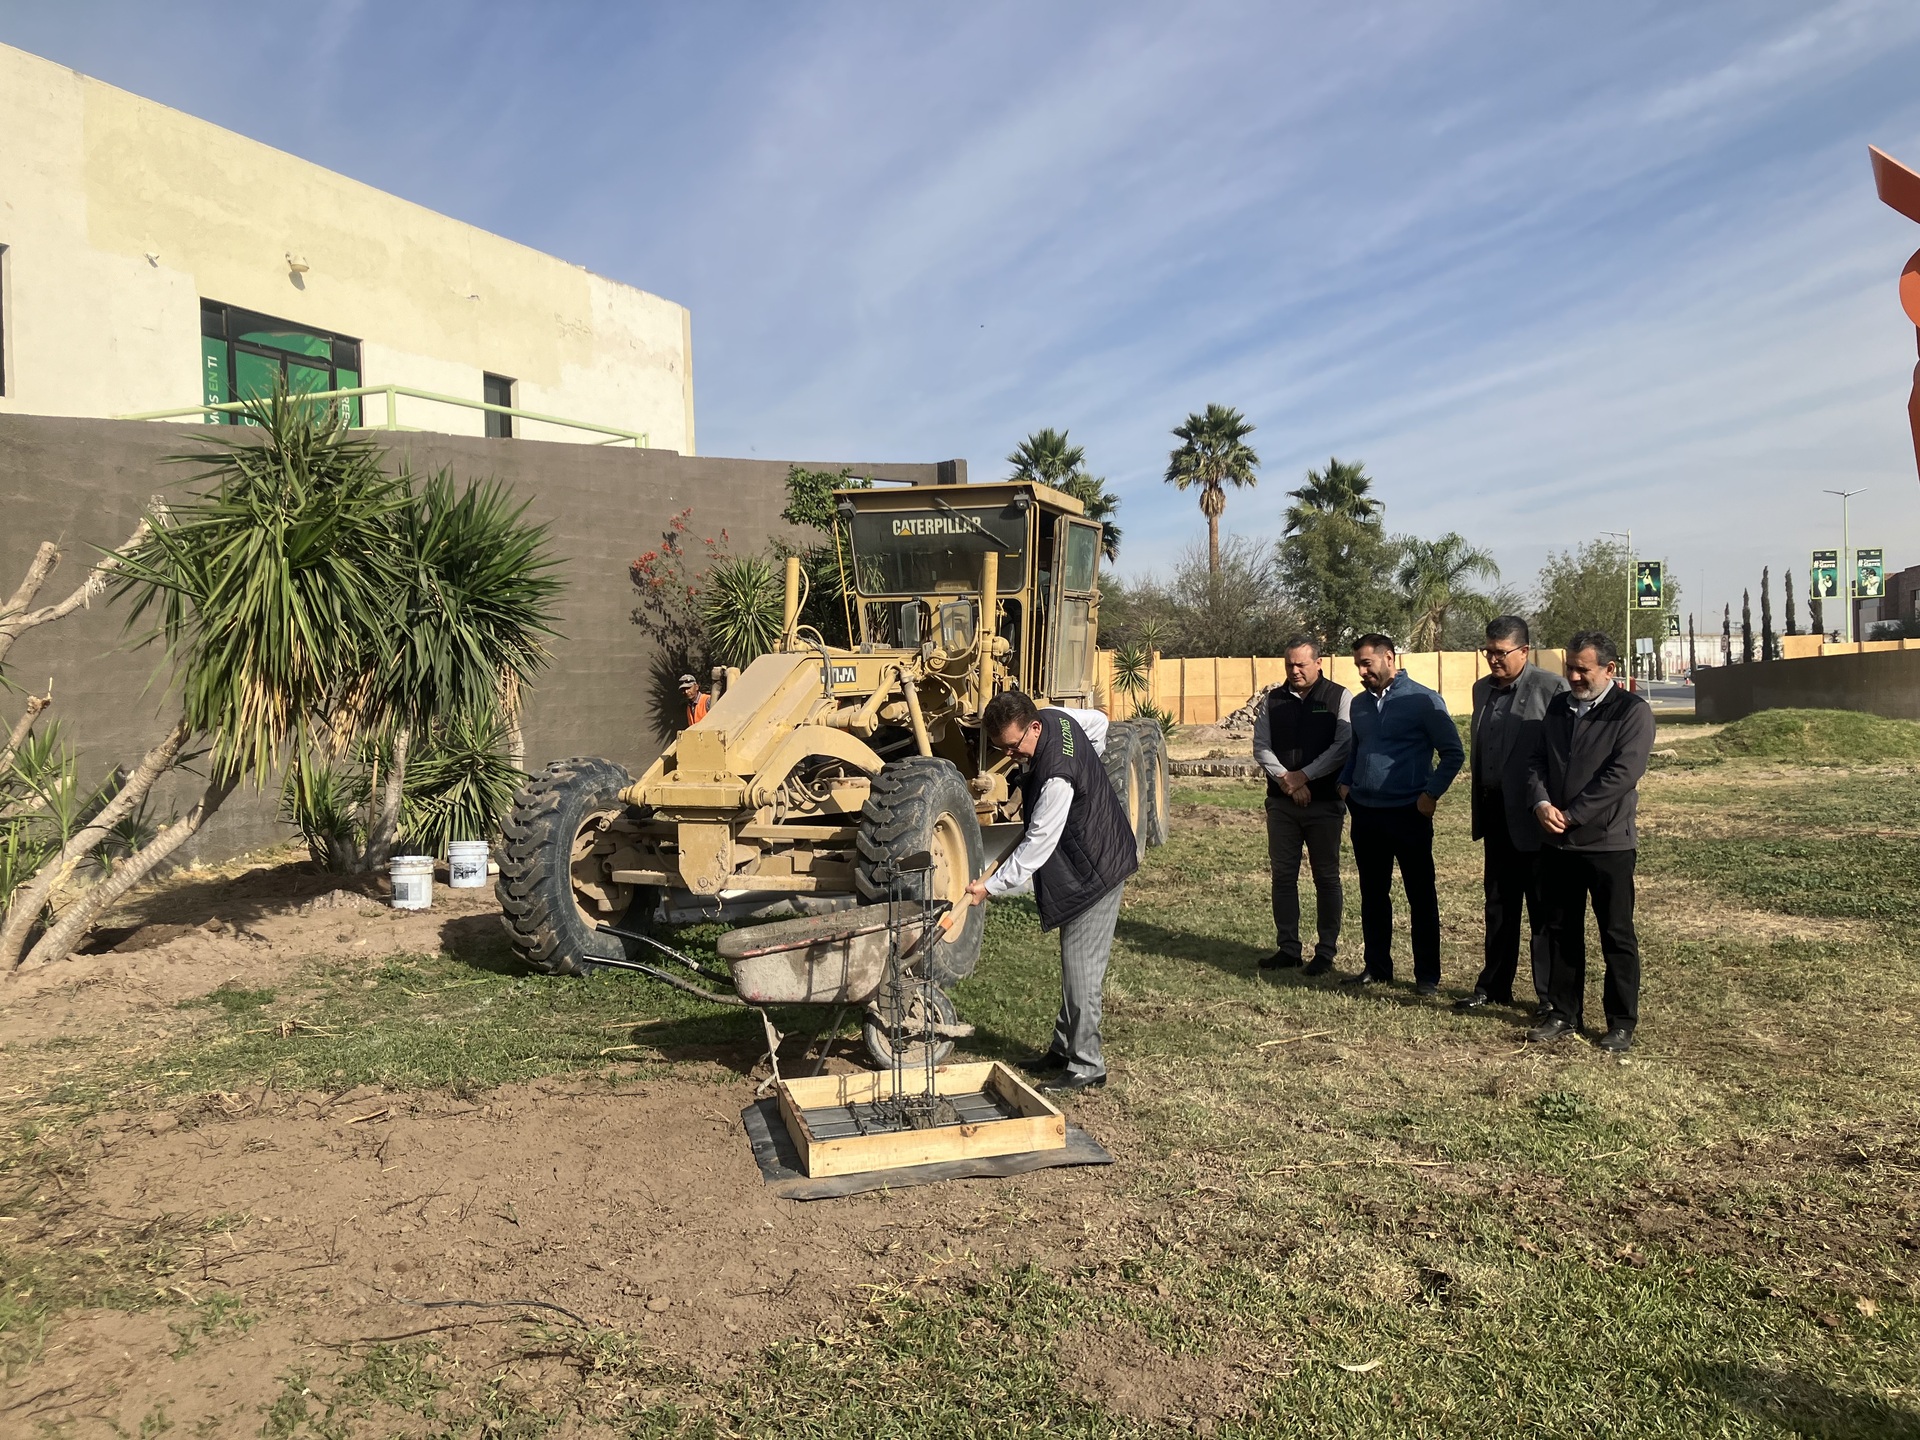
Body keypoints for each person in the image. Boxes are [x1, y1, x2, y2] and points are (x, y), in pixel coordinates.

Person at [964, 690, 1139, 1092]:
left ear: (1034, 726)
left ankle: (1087, 1065)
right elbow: (1097, 723)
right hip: (1096, 850)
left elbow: (1037, 845)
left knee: (1081, 970)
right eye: (1001, 748)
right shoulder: (1059, 719)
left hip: (1095, 870)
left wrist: (989, 887)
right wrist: (1088, 767)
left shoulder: (1058, 776)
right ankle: (1063, 1049)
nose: (1012, 755)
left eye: (1014, 745)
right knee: (1074, 966)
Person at [1524, 630, 1655, 1054]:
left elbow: (1622, 776)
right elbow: (1538, 759)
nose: (1575, 677)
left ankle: (1620, 1022)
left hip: (1608, 844)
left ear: (1609, 670)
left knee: (1615, 933)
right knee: (1561, 930)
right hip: (1558, 843)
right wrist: (1541, 802)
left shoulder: (1632, 712)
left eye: (1584, 669)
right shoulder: (1561, 707)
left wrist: (1575, 814)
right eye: (1571, 668)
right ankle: (1564, 1012)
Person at [1337, 634, 1464, 996]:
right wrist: (1345, 786)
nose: (1362, 672)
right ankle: (1377, 967)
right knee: (1373, 894)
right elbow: (1356, 750)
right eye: (1358, 665)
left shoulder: (1422, 701)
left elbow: (1453, 753)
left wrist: (1430, 794)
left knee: (1420, 895)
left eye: (1367, 664)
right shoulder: (1360, 705)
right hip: (1366, 815)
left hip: (1409, 813)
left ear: (1389, 658)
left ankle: (1427, 977)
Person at [1455, 617, 1568, 1016]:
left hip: (1535, 817)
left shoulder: (1551, 687)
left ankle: (1549, 997)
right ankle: (1494, 986)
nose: (1493, 660)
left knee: (1542, 910)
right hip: (1494, 814)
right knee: (1499, 906)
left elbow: (1562, 754)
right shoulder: (1481, 689)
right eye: (1488, 652)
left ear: (1524, 650)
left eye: (1501, 653)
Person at [1253, 636, 1353, 975]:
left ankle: (1325, 952)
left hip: (1324, 805)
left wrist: (1305, 776)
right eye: (1289, 665)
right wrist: (1287, 780)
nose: (1294, 671)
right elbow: (1261, 747)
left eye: (1301, 665)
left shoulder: (1339, 697)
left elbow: (1343, 746)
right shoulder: (1273, 701)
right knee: (1283, 877)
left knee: (1326, 878)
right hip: (1282, 805)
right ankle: (1288, 948)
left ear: (1319, 663)